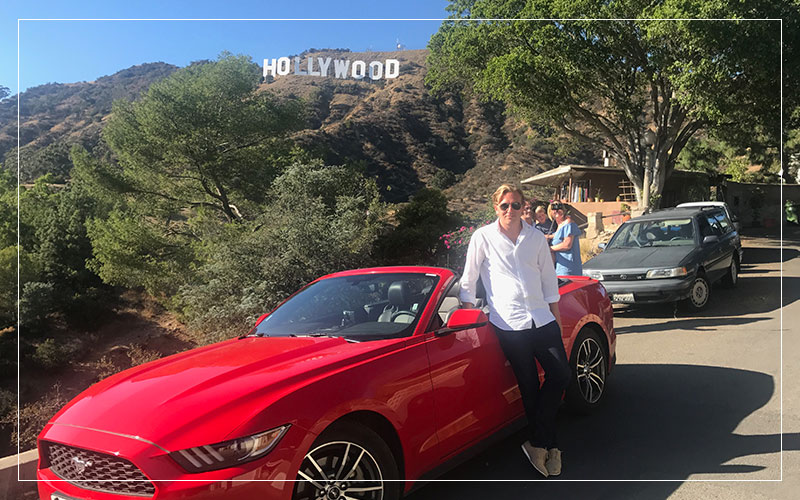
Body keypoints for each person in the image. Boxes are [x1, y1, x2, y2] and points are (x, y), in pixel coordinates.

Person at [460, 184, 571, 477]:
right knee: (529, 386)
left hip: (541, 317)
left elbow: (549, 279)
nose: (510, 210)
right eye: (505, 205)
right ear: (495, 207)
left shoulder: (535, 238)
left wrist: (556, 316)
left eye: (516, 204)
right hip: (508, 323)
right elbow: (468, 280)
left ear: (524, 206)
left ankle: (537, 442)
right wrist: (468, 313)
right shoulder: (483, 237)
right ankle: (551, 446)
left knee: (561, 374)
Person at [549, 202, 583, 276]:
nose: (557, 210)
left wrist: (549, 248)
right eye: (554, 208)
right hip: (560, 268)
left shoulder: (569, 224)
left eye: (560, 207)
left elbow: (567, 245)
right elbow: (557, 236)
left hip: (569, 269)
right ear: (550, 212)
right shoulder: (559, 227)